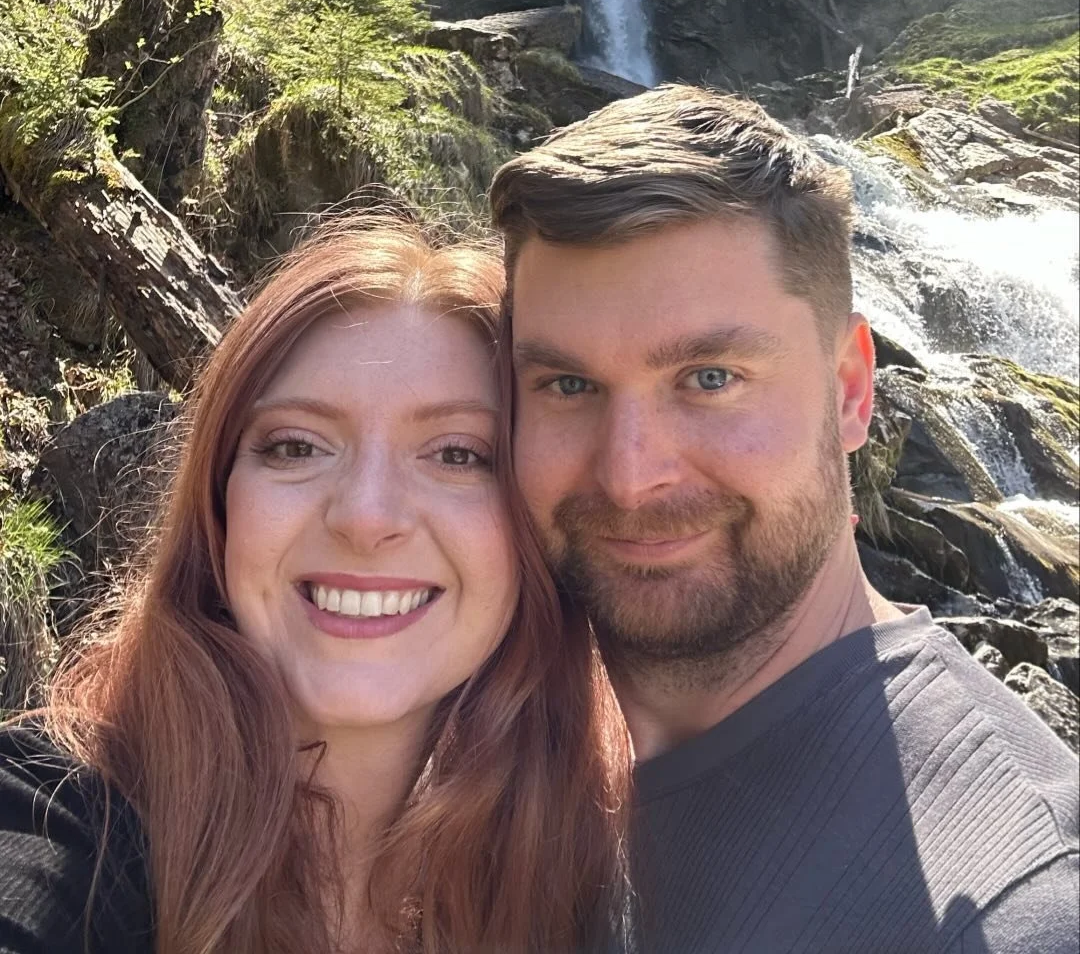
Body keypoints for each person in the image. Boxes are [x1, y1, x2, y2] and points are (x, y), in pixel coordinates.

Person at [490, 84, 1080, 954]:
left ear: (850, 390)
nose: (629, 475)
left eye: (711, 378)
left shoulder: (1017, 902)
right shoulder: (464, 752)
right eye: (569, 386)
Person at [0, 215, 632, 954]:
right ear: (219, 503)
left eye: (457, 454)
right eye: (296, 446)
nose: (366, 517)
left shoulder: (609, 864)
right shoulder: (53, 814)